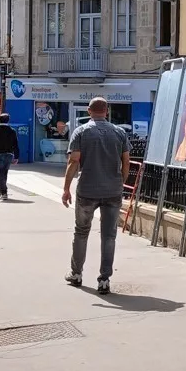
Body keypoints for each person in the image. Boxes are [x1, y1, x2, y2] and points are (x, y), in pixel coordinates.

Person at [62, 97, 131, 295]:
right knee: (109, 236)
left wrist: (66, 188)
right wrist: (120, 182)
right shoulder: (119, 132)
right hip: (112, 191)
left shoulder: (81, 132)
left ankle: (76, 274)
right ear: (106, 111)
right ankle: (104, 279)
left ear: (89, 111)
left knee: (81, 232)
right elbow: (126, 161)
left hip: (87, 190)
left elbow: (73, 162)